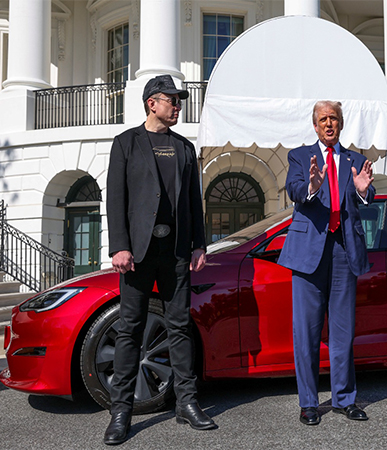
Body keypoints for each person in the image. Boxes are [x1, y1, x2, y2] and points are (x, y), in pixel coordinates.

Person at [104, 75, 216, 445]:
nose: (178, 105)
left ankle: (186, 403)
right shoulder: (126, 144)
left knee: (180, 326)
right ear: (152, 102)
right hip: (137, 253)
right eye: (172, 99)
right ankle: (121, 410)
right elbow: (116, 199)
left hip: (177, 251)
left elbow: (193, 202)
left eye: (178, 100)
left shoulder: (183, 148)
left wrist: (200, 244)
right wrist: (119, 245)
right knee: (130, 328)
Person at [278, 100, 375, 425]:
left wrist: (363, 191)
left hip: (344, 252)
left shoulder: (355, 160)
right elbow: (293, 190)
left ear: (341, 123)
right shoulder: (300, 156)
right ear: (315, 125)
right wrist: (311, 186)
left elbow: (367, 192)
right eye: (323, 119)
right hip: (308, 253)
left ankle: (344, 399)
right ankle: (308, 403)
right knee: (305, 332)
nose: (329, 124)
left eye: (334, 118)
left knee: (343, 332)